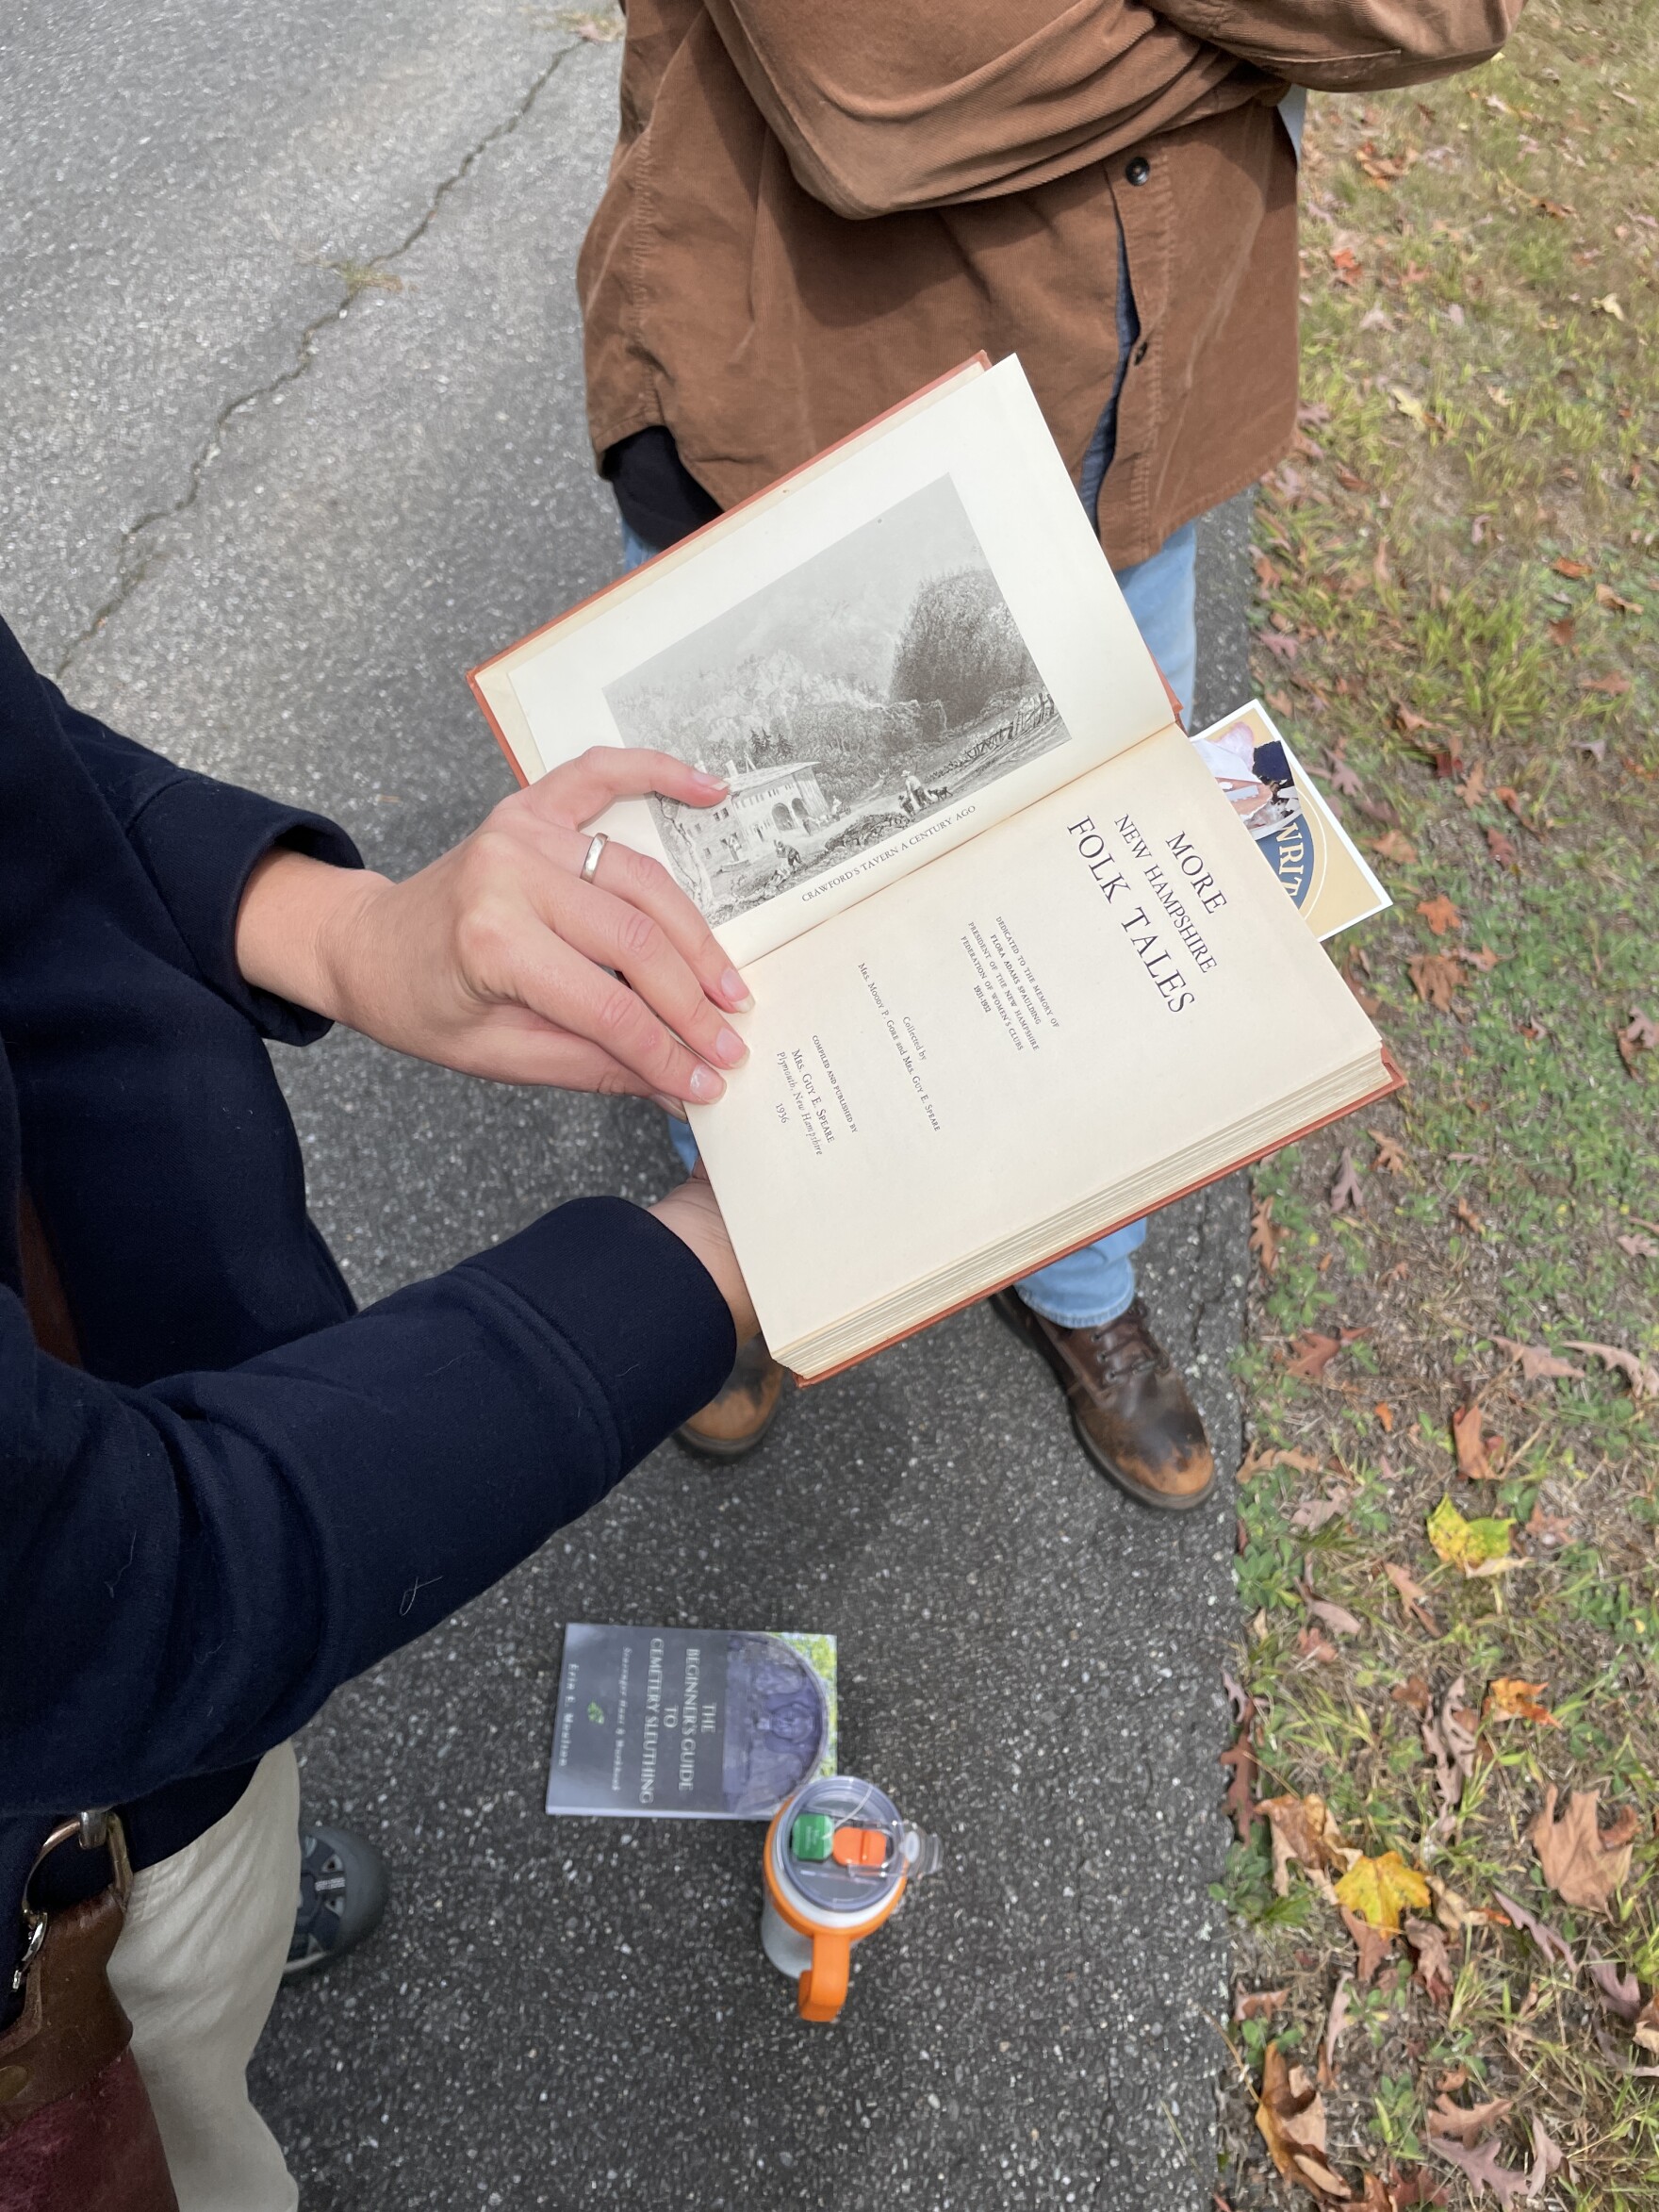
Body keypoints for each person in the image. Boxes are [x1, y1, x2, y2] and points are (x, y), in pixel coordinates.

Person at [576, 0, 1521, 1500]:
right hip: (810, 407)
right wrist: (1250, 45)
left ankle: (1082, 1285)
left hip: (1136, 408)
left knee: (1103, 896)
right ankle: (752, 1251)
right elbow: (870, 98)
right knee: (780, 910)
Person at [0, 611, 756, 2209]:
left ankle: (226, 1894)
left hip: (180, 1435)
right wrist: (699, 1270)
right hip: (65, 1797)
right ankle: (188, 1939)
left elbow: (20, 759)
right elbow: (86, 1586)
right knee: (178, 2125)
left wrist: (350, 930)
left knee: (229, 1853)